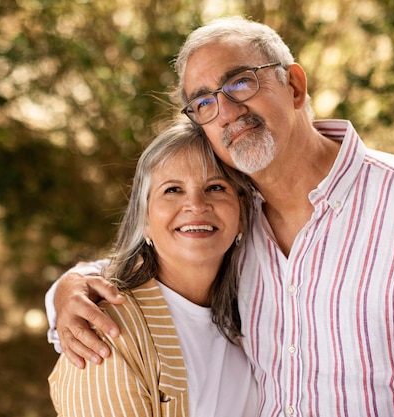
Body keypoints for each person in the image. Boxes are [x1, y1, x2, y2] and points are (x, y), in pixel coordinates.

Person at [47, 16, 394, 417]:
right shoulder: (235, 214)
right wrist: (70, 286)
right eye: (203, 102)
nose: (225, 111)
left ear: (294, 86)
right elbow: (164, 262)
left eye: (240, 82)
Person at [48, 120, 258, 417]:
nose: (196, 205)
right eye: (173, 189)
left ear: (241, 214)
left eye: (215, 187)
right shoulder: (107, 334)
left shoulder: (256, 314)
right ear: (144, 220)